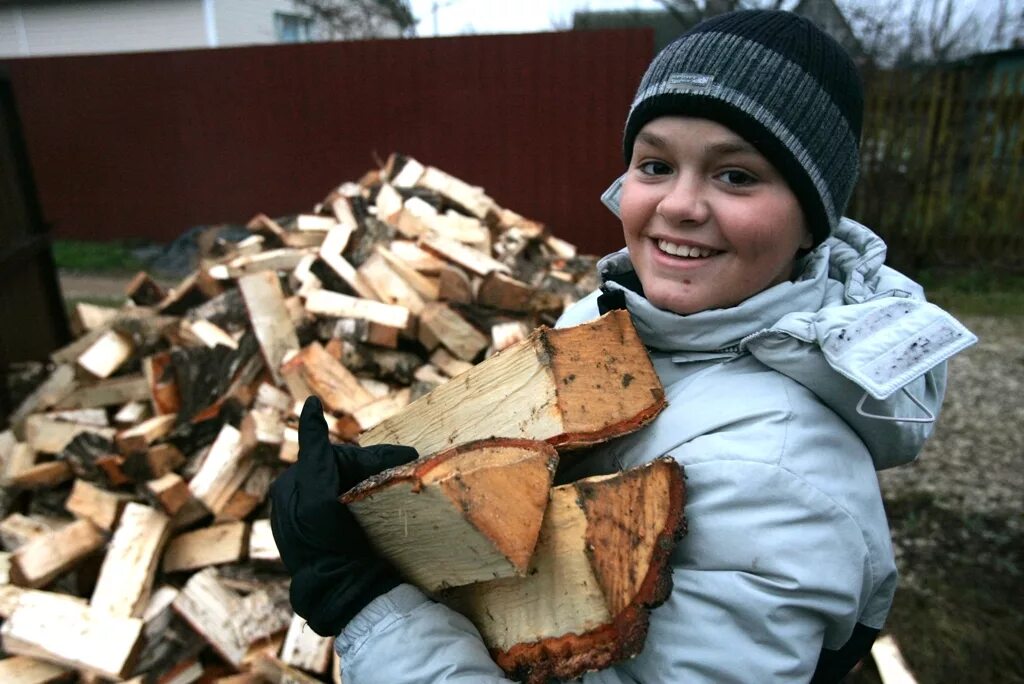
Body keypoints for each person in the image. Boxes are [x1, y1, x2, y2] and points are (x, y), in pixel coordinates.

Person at [270, 9, 977, 683]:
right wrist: (392, 507)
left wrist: (365, 604)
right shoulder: (616, 320)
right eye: (655, 165)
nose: (679, 206)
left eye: (737, 175)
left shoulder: (777, 476)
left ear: (810, 223)